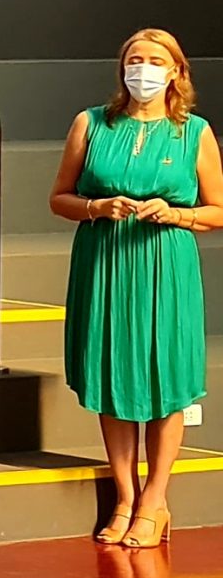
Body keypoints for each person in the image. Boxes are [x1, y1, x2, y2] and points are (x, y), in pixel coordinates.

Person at [50, 29, 223, 549]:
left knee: (165, 376)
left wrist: (178, 214)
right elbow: (59, 197)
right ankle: (125, 496)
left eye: (154, 60)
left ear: (176, 72)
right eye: (133, 59)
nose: (142, 69)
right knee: (112, 374)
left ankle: (156, 500)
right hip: (104, 261)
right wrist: (96, 207)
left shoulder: (194, 132)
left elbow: (218, 210)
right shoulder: (91, 123)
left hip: (165, 263)